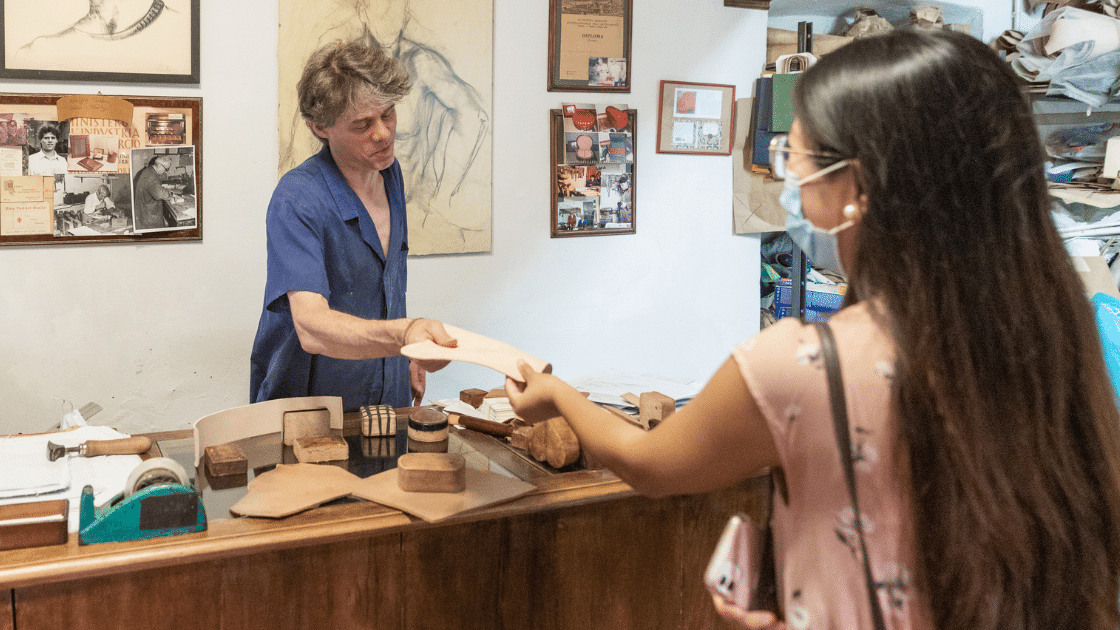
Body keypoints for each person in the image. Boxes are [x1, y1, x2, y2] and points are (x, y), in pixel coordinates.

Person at [505, 30, 1120, 630]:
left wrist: (557, 396)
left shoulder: (802, 365)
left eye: (793, 161)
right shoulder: (1060, 333)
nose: (785, 182)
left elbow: (650, 465)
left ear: (856, 188)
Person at [251, 40, 456, 413]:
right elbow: (312, 326)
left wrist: (405, 356)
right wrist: (403, 336)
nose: (382, 133)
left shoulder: (388, 172)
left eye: (388, 114)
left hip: (385, 395)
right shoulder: (297, 199)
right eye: (362, 124)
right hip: (311, 407)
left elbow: (384, 286)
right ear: (320, 128)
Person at [132, 155, 172, 230]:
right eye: (166, 169)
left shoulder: (149, 171)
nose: (166, 171)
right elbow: (162, 194)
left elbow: (154, 188)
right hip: (148, 218)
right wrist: (171, 193)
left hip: (147, 212)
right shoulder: (150, 176)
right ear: (160, 165)